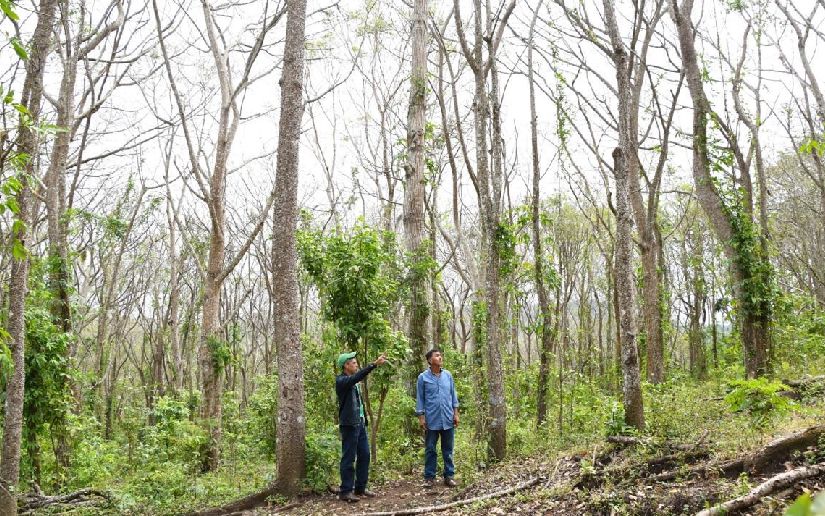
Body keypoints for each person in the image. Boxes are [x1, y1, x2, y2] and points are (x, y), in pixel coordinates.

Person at [335, 350, 386, 503]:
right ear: (346, 365)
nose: (356, 365)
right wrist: (373, 365)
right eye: (354, 363)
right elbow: (357, 377)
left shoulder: (353, 382)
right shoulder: (342, 381)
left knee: (364, 454)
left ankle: (360, 488)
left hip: (360, 423)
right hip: (349, 424)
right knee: (349, 457)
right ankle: (346, 491)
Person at [415, 348, 460, 488]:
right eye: (437, 355)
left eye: (440, 355)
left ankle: (449, 476)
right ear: (430, 360)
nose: (440, 357)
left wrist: (456, 413)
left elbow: (453, 395)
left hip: (447, 418)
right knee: (430, 449)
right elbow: (420, 398)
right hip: (431, 419)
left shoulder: (448, 375)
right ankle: (429, 477)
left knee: (448, 449)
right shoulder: (423, 377)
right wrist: (421, 417)